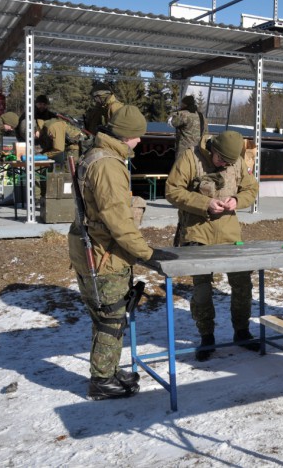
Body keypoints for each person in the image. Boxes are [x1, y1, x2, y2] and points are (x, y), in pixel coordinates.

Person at [67, 105, 171, 400]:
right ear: (125, 136)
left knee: (107, 315)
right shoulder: (109, 166)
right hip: (104, 254)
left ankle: (108, 370)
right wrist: (148, 254)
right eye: (136, 136)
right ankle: (101, 381)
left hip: (97, 249)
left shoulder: (97, 156)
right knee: (111, 318)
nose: (139, 142)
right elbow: (119, 222)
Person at [165, 130, 259, 361]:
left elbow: (251, 189)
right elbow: (172, 190)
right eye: (221, 160)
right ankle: (206, 337)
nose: (224, 165)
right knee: (202, 291)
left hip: (230, 234)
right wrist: (205, 203)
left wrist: (237, 200)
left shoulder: (235, 161)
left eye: (228, 162)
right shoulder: (190, 158)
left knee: (242, 286)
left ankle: (242, 331)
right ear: (212, 149)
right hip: (198, 235)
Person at [168, 95, 207, 160]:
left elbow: (171, 122)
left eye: (182, 103)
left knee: (180, 168)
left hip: (184, 150)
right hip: (197, 150)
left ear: (185, 104)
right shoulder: (202, 116)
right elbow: (205, 132)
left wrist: (174, 113)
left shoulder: (183, 114)